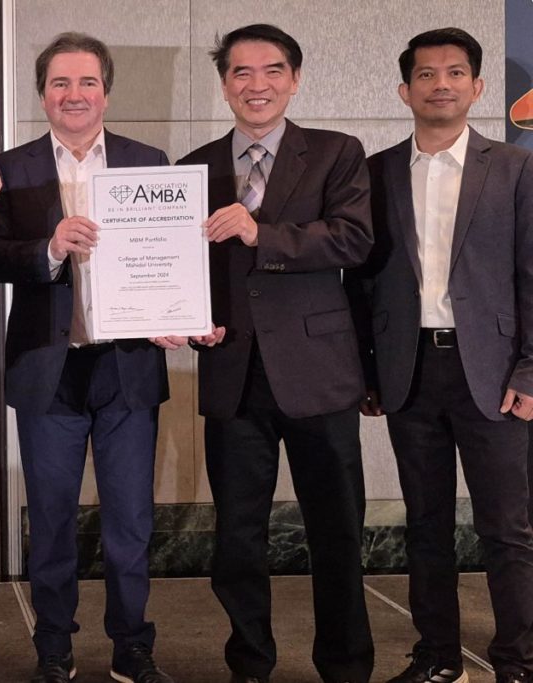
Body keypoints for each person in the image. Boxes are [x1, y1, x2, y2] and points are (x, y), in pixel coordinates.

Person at [177, 23, 374, 683]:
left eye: (271, 71)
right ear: (224, 83)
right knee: (237, 536)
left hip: (319, 373)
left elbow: (352, 239)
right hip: (232, 370)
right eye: (241, 72)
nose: (256, 85)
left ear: (294, 79)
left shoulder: (336, 152)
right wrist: (186, 320)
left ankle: (345, 665)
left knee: (337, 530)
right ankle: (249, 663)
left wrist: (261, 232)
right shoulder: (194, 168)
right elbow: (181, 268)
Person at [0, 31, 179, 683]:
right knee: (51, 517)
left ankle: (132, 644)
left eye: (87, 82)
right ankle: (54, 647)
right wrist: (48, 247)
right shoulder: (9, 167)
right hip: (49, 366)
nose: (75, 94)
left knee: (131, 520)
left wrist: (174, 313)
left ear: (106, 93)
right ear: (42, 94)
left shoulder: (147, 161)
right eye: (60, 83)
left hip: (128, 365)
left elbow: (169, 255)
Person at [346, 27, 533, 683]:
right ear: (405, 90)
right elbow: (360, 282)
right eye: (426, 74)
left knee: (507, 528)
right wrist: (368, 370)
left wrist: (530, 369)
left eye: (455, 73)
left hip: (494, 374)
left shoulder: (514, 168)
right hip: (409, 371)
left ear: (477, 87)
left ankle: (518, 660)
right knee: (425, 524)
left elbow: (531, 275)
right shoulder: (375, 172)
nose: (441, 84)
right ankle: (437, 656)